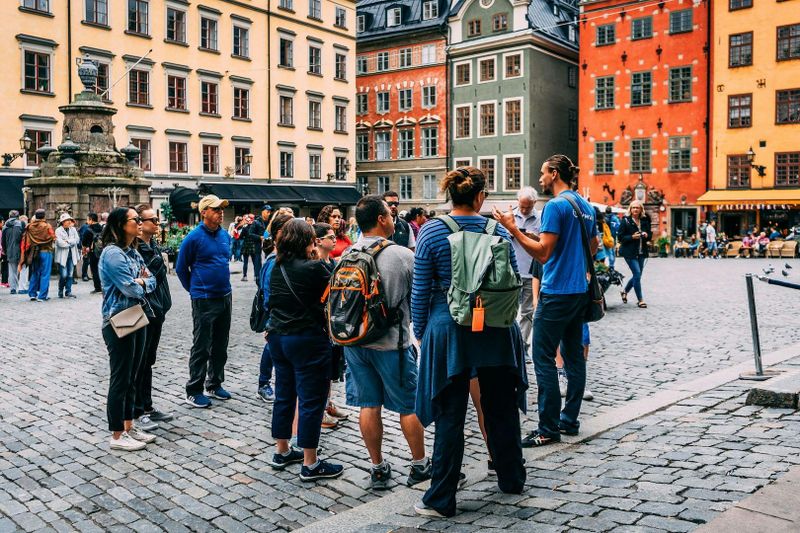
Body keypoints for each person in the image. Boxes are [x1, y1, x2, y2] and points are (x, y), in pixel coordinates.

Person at [413, 167, 527, 518]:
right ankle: (511, 477)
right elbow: (512, 280)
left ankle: (442, 498)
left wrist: (422, 331)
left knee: (450, 414)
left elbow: (421, 291)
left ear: (450, 195)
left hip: (450, 329)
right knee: (500, 407)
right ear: (480, 197)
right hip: (495, 327)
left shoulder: (431, 231)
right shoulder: (497, 230)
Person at [493, 154, 597, 448]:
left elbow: (543, 253)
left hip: (556, 292)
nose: (540, 178)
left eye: (542, 173)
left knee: (543, 358)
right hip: (578, 291)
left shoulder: (555, 206)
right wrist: (580, 267)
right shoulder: (584, 205)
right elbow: (593, 245)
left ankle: (548, 427)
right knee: (574, 357)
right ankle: (570, 420)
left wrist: (513, 229)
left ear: (553, 173)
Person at [343, 196, 430, 490]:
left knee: (368, 405)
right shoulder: (402, 255)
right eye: (389, 215)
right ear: (381, 219)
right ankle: (419, 464)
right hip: (392, 344)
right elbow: (420, 298)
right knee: (408, 405)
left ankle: (378, 467)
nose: (393, 218)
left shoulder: (348, 253)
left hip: (355, 342)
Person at [267, 219, 344, 481]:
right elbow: (337, 294)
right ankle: (310, 463)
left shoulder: (276, 266)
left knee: (284, 395)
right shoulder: (314, 268)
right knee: (311, 400)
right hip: (307, 338)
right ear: (307, 241)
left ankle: (282, 450)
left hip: (279, 337)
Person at [99, 207, 157, 451]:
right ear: (122, 225)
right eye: (136, 220)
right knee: (121, 378)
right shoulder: (112, 254)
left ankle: (129, 426)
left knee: (134, 375)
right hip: (118, 319)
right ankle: (116, 434)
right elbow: (130, 289)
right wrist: (141, 281)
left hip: (136, 315)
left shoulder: (132, 253)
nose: (140, 223)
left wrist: (142, 281)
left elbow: (152, 279)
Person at [176, 195, 234, 408]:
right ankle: (193, 389)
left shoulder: (224, 236)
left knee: (221, 343)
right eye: (216, 209)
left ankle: (214, 383)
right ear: (204, 212)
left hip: (225, 295)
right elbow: (181, 268)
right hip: (204, 298)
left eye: (221, 209)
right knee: (201, 345)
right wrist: (194, 290)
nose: (220, 212)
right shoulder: (193, 238)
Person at [132, 204, 174, 431]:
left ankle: (147, 405)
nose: (157, 224)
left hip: (157, 309)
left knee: (148, 360)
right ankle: (137, 410)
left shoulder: (153, 245)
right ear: (140, 225)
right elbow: (144, 279)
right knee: (140, 361)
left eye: (157, 221)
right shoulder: (137, 250)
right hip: (146, 309)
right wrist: (158, 262)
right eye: (153, 221)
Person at [257, 211, 294, 404]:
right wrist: (273, 317)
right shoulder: (273, 261)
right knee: (271, 347)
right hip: (276, 315)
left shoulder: (286, 256)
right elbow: (269, 294)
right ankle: (264, 383)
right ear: (280, 232)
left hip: (281, 316)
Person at [313, 221, 347, 429]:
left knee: (330, 370)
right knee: (320, 371)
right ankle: (320, 410)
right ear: (318, 241)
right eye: (330, 237)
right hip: (320, 324)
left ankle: (327, 404)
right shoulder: (315, 265)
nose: (335, 240)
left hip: (333, 322)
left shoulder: (333, 262)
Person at [510, 187, 540, 360]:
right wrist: (509, 232)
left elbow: (545, 242)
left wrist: (534, 238)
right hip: (512, 272)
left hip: (531, 272)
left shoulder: (541, 217)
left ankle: (522, 346)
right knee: (510, 312)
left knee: (527, 312)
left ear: (534, 203)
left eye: (527, 207)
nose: (523, 210)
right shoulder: (510, 217)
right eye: (521, 206)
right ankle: (511, 346)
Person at [618, 200, 651, 308]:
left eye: (637, 208)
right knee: (637, 274)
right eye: (633, 208)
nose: (635, 209)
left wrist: (646, 235)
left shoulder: (644, 220)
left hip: (641, 252)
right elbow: (620, 238)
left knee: (637, 276)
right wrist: (632, 237)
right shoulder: (625, 221)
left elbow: (650, 234)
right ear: (630, 209)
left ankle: (625, 291)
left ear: (641, 209)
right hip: (629, 252)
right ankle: (640, 300)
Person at [23, 209, 55, 302]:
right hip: (46, 251)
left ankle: (32, 294)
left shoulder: (30, 226)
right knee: (45, 274)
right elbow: (53, 237)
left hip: (34, 252)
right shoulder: (47, 226)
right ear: (44, 216)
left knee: (35, 272)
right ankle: (42, 296)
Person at [54, 213, 80, 299]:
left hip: (72, 256)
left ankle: (68, 291)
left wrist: (67, 241)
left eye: (69, 220)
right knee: (63, 275)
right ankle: (60, 290)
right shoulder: (58, 230)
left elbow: (77, 240)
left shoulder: (73, 229)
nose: (69, 222)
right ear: (62, 222)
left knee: (70, 274)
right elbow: (60, 243)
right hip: (63, 256)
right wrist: (70, 242)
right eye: (67, 220)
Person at [1, 210, 25, 294]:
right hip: (21, 250)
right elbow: (24, 237)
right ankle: (22, 288)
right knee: (23, 268)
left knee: (12, 270)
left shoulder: (5, 227)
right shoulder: (21, 224)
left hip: (10, 250)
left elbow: (3, 241)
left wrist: (5, 250)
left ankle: (13, 288)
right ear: (18, 216)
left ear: (9, 216)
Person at [81, 213, 104, 294]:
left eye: (87, 219)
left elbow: (84, 242)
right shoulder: (102, 228)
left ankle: (97, 288)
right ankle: (104, 286)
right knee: (102, 269)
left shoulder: (88, 230)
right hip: (103, 251)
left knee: (94, 269)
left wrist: (84, 250)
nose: (87, 221)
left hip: (93, 252)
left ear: (91, 219)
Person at [240, 215, 259, 283]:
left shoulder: (245, 228)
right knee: (255, 262)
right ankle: (255, 276)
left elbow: (240, 237)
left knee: (245, 262)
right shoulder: (255, 228)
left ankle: (245, 276)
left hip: (246, 246)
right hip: (253, 245)